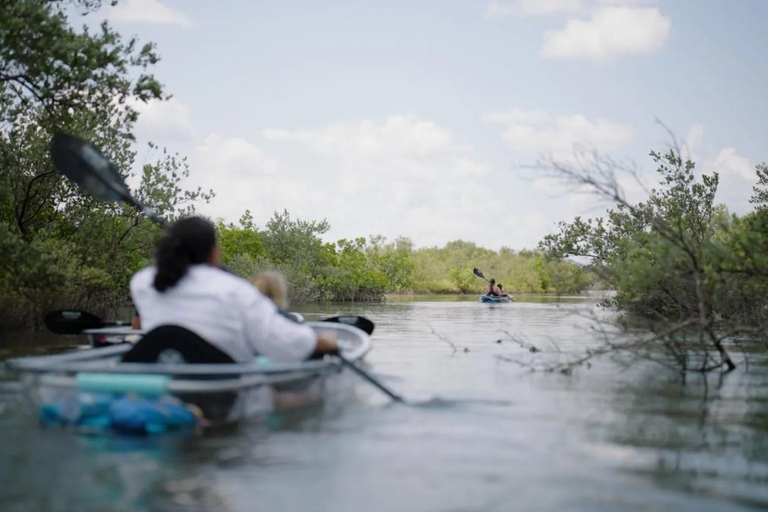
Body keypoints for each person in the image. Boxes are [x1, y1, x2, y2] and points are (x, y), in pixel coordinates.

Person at [130, 216, 337, 363]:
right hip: (225, 394)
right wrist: (324, 342)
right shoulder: (235, 290)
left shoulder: (142, 282)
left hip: (163, 376)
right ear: (213, 253)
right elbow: (282, 342)